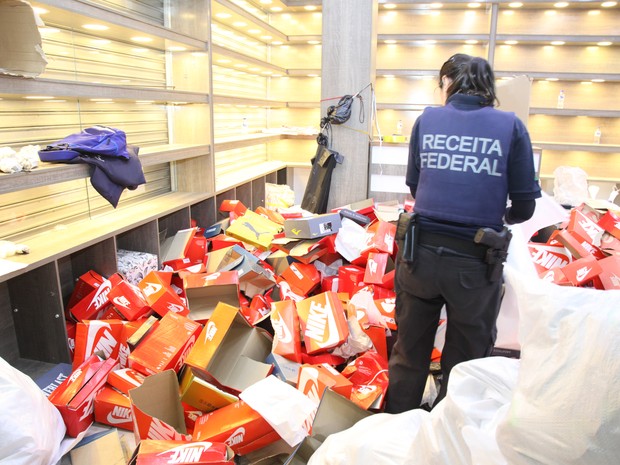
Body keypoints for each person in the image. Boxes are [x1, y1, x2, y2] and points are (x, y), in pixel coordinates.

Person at [385, 53, 541, 413]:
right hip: (476, 262)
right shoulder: (511, 126)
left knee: (409, 354)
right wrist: (491, 210)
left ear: (448, 84)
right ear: (490, 88)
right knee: (465, 360)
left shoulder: (427, 120)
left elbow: (414, 186)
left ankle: (395, 433)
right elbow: (525, 208)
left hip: (418, 257)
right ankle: (446, 434)